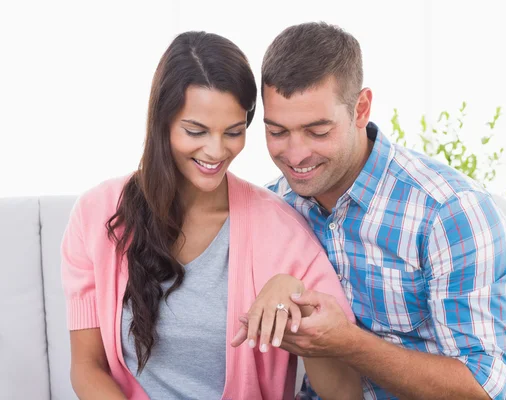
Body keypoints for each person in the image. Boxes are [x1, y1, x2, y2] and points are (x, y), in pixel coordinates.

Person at [61, 31, 362, 400]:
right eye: (196, 131)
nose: (217, 150)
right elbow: (86, 367)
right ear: (162, 122)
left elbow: (344, 392)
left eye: (233, 132)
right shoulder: (96, 215)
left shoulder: (281, 230)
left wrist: (297, 297)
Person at [259, 22, 506, 400]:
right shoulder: (278, 207)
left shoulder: (450, 213)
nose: (296, 155)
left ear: (360, 108)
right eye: (278, 132)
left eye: (318, 131)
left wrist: (346, 342)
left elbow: (480, 387)